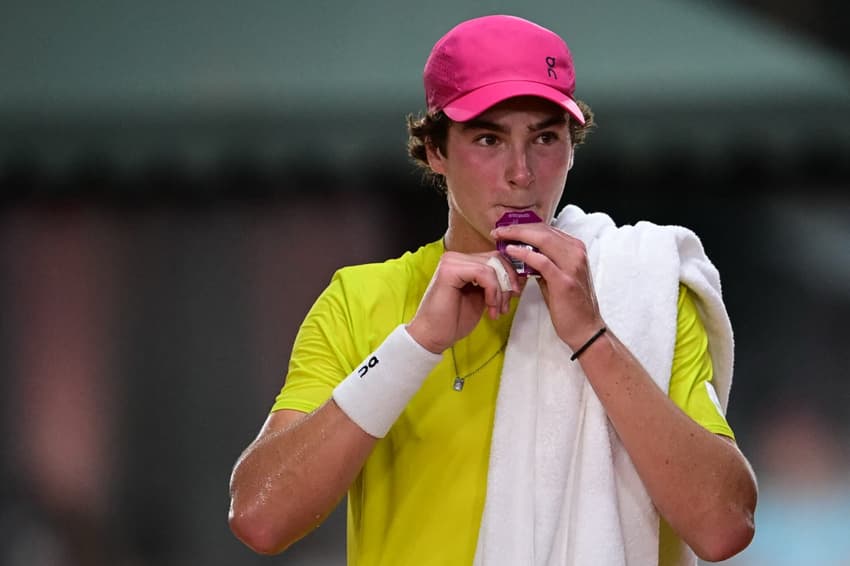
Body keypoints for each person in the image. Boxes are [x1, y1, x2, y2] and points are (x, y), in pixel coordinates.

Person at [228, 14, 757, 566]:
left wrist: (593, 336)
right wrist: (414, 345)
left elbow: (724, 527)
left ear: (572, 149)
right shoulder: (360, 299)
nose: (521, 173)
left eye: (546, 137)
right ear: (436, 151)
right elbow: (260, 518)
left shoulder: (637, 285)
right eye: (488, 138)